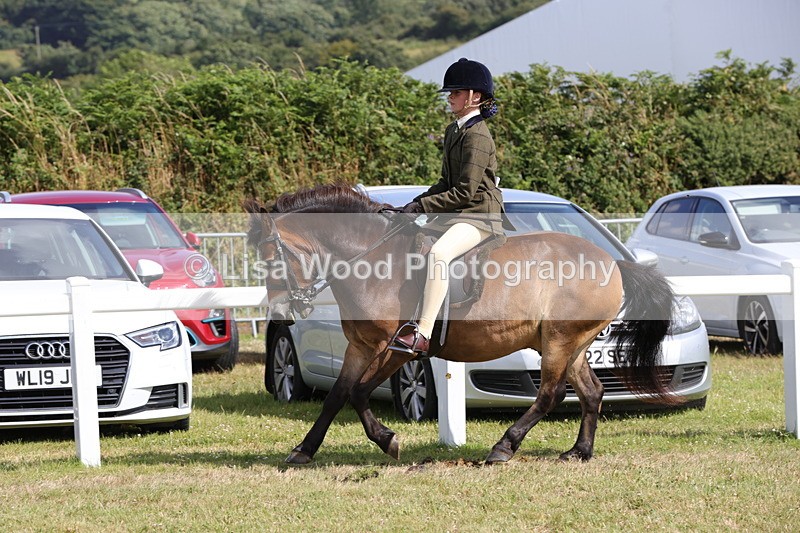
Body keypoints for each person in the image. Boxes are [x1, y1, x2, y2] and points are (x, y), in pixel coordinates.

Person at [390, 58, 511, 356]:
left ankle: (423, 333)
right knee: (412, 242)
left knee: (439, 255)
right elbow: (445, 183)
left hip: (479, 214)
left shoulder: (479, 137)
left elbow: (465, 191)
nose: (450, 97)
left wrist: (422, 207)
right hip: (459, 212)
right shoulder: (453, 131)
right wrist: (412, 205)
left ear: (475, 97)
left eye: (456, 92)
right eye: (451, 92)